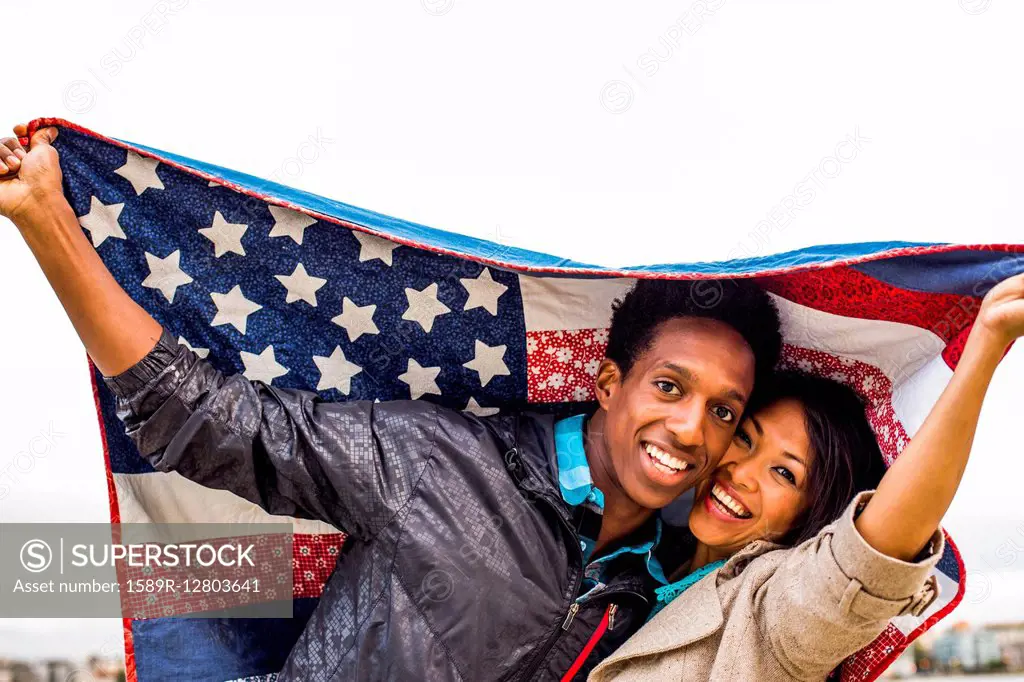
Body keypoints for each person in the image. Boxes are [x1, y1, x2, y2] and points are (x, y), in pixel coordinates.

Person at [0, 125, 782, 681]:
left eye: (723, 410)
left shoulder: (659, 590)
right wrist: (46, 222)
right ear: (610, 383)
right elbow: (200, 419)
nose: (689, 428)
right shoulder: (436, 461)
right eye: (671, 387)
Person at [588, 270, 1024, 681]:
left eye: (784, 473)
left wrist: (984, 346)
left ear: (811, 515)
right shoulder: (645, 551)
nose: (741, 473)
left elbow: (873, 556)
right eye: (743, 438)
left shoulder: (777, 612)